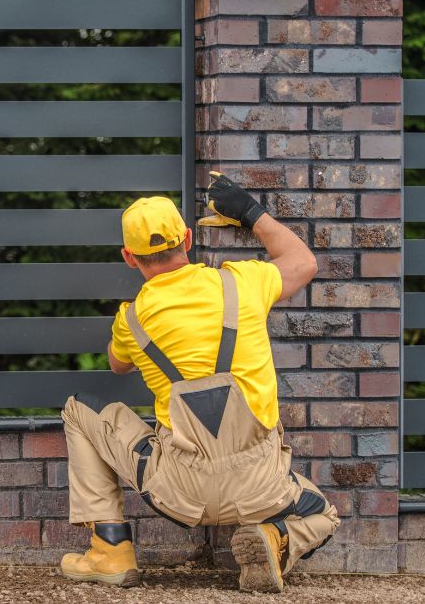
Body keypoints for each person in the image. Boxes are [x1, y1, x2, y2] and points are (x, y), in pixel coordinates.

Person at [58, 172, 340, 592]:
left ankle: (110, 549)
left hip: (178, 491)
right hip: (261, 489)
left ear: (129, 257)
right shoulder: (242, 283)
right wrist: (249, 212)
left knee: (78, 409)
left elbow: (118, 366)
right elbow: (304, 262)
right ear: (188, 240)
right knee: (323, 515)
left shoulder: (131, 319)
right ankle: (275, 536)